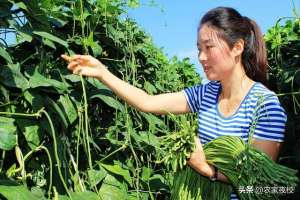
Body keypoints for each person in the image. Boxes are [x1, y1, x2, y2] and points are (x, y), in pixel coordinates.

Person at [62, 7, 287, 200]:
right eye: (199, 48)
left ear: (237, 47)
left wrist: (209, 170)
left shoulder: (265, 106)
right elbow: (147, 102)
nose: (201, 57)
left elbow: (259, 182)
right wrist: (103, 73)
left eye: (209, 47)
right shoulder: (205, 94)